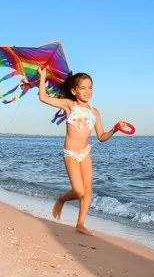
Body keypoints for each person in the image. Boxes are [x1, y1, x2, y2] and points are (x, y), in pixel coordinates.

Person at [38, 66, 125, 235]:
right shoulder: (70, 105)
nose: (87, 91)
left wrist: (114, 129)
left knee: (88, 192)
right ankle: (62, 199)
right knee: (78, 191)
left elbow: (101, 137)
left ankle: (80, 224)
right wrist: (42, 76)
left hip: (85, 152)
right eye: (83, 88)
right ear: (73, 90)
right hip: (70, 153)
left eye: (90, 87)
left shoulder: (95, 112)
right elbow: (43, 97)